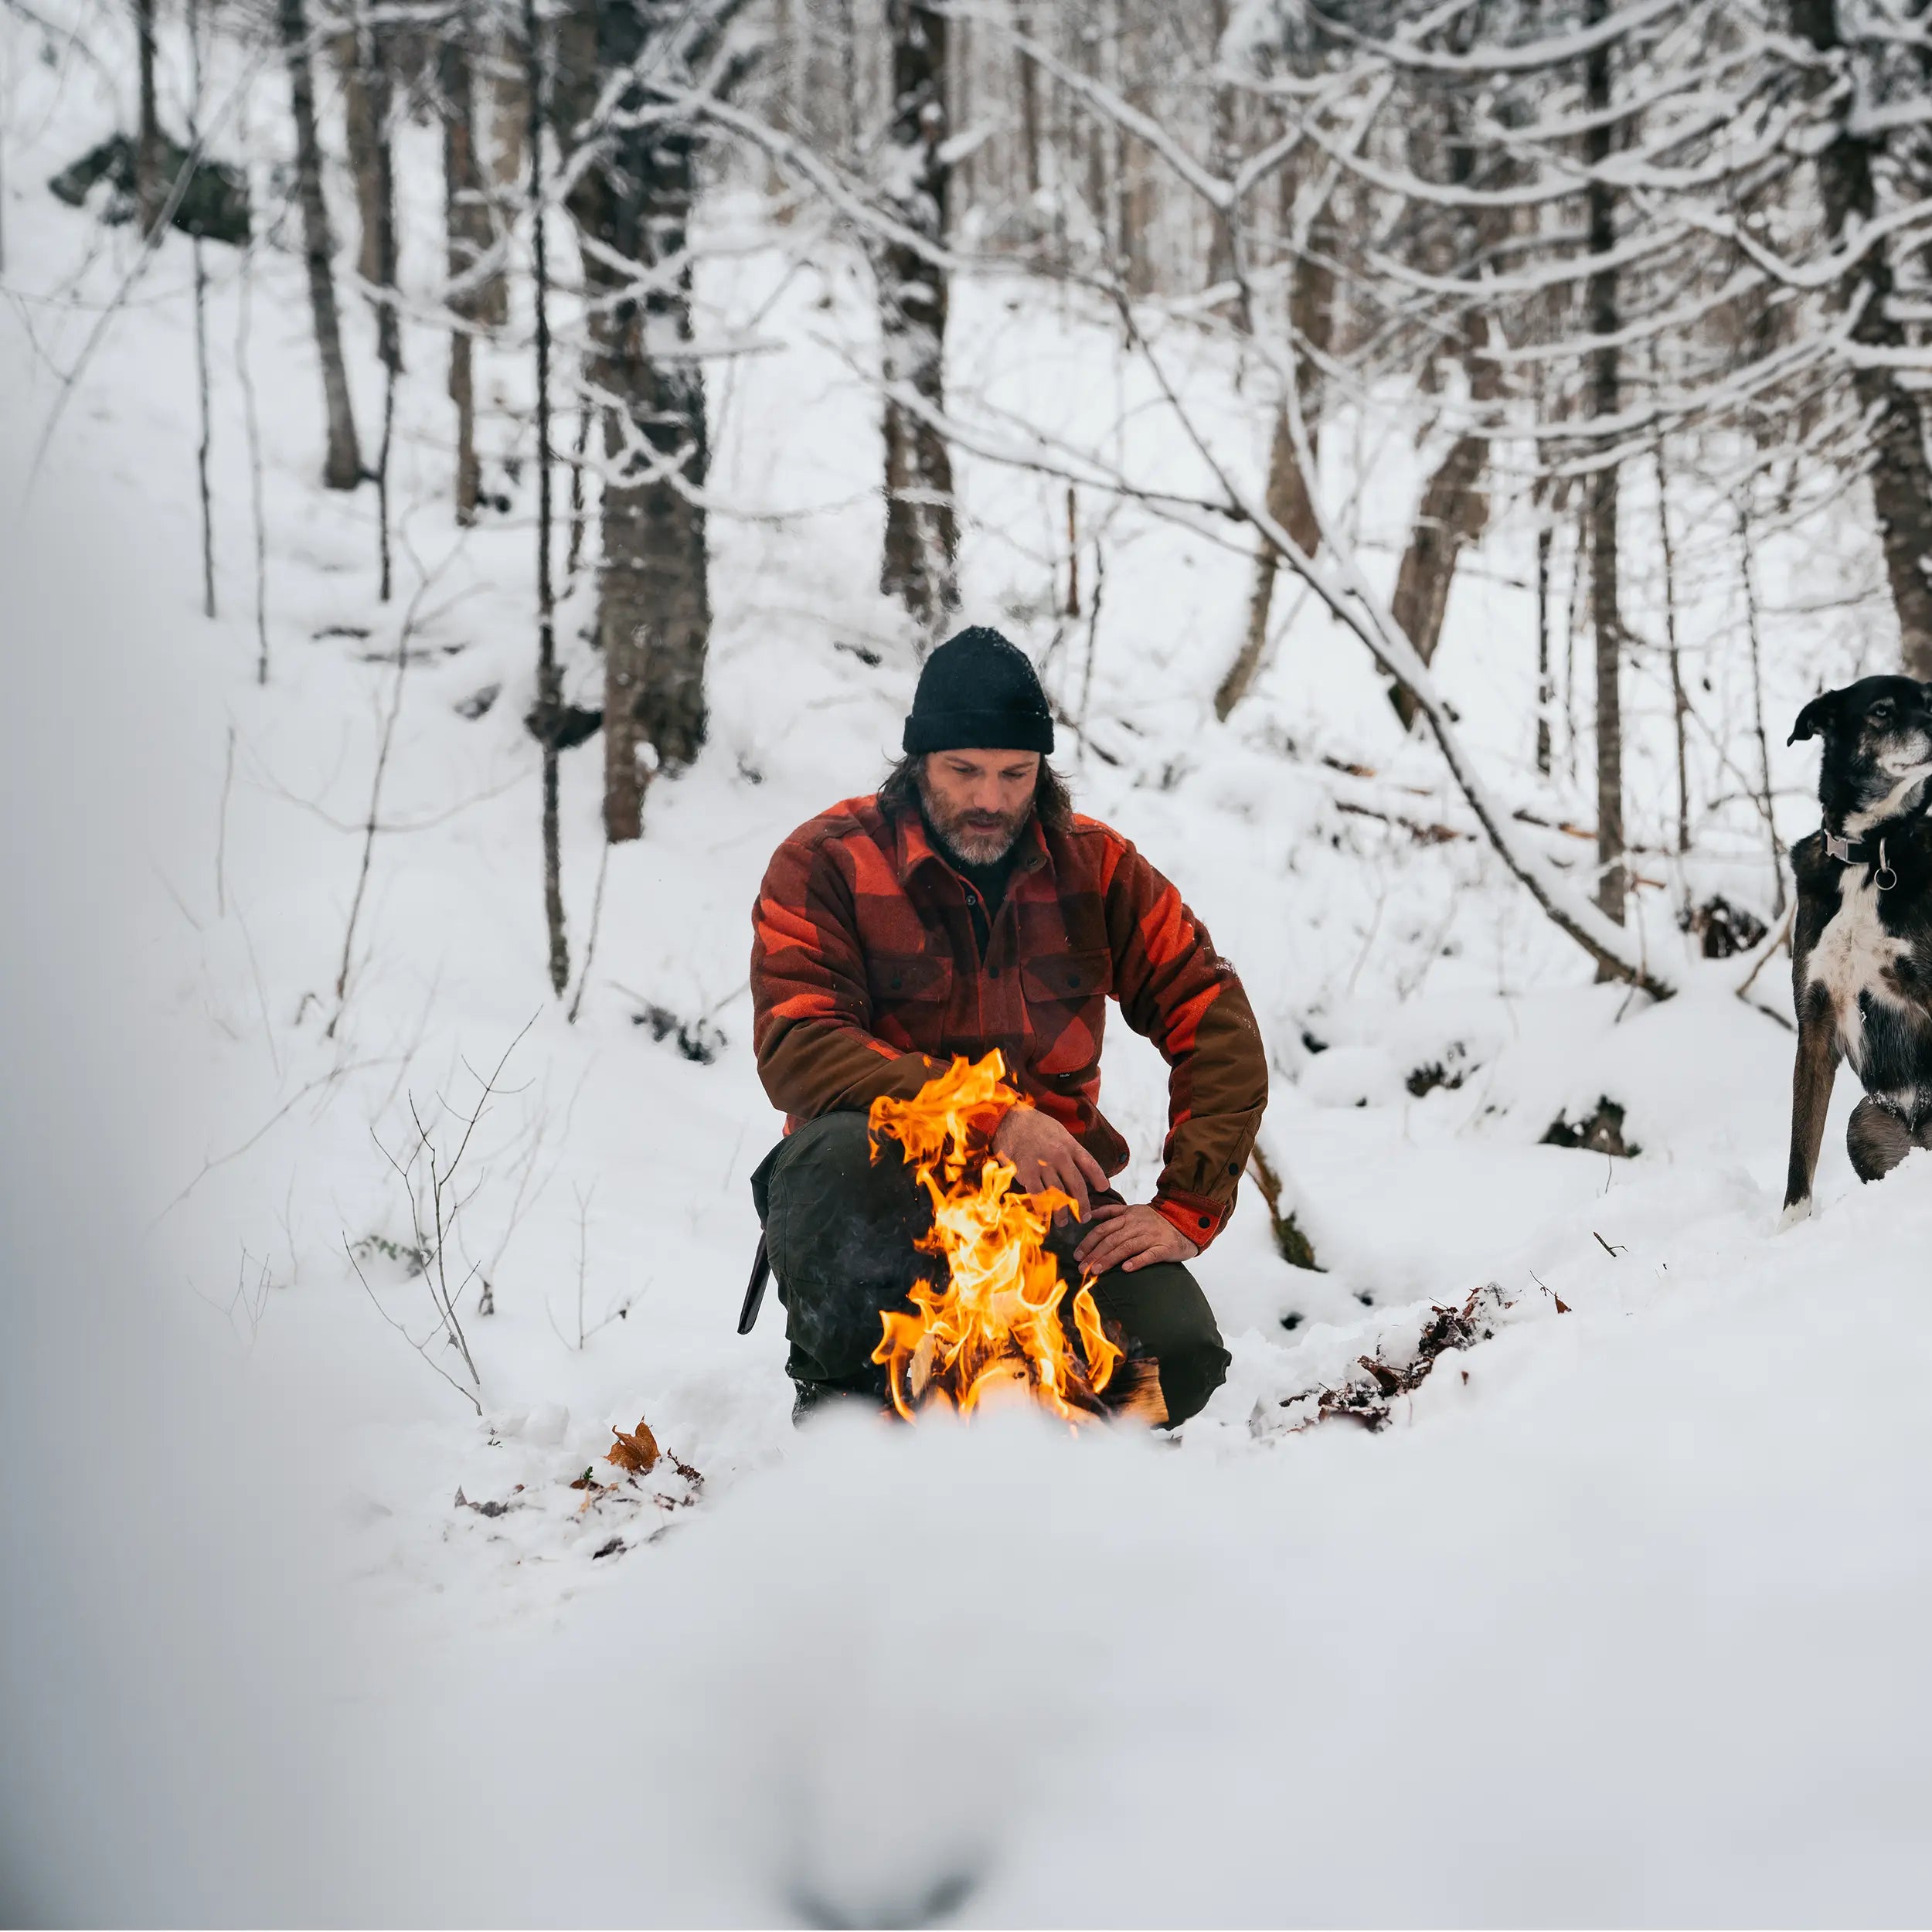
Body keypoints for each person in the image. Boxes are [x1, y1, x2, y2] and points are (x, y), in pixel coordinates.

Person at [747, 625, 1268, 1425]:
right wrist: (992, 1117)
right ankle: (846, 1422)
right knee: (839, 1153)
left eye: (1014, 774)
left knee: (1179, 1358)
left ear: (1041, 772)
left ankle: (1017, 1437)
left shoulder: (1098, 868)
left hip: (1044, 1210)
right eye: (963, 771)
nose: (989, 799)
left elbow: (1211, 1011)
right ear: (918, 763)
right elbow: (798, 1044)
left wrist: (1183, 1209)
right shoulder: (826, 862)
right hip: (882, 1203)